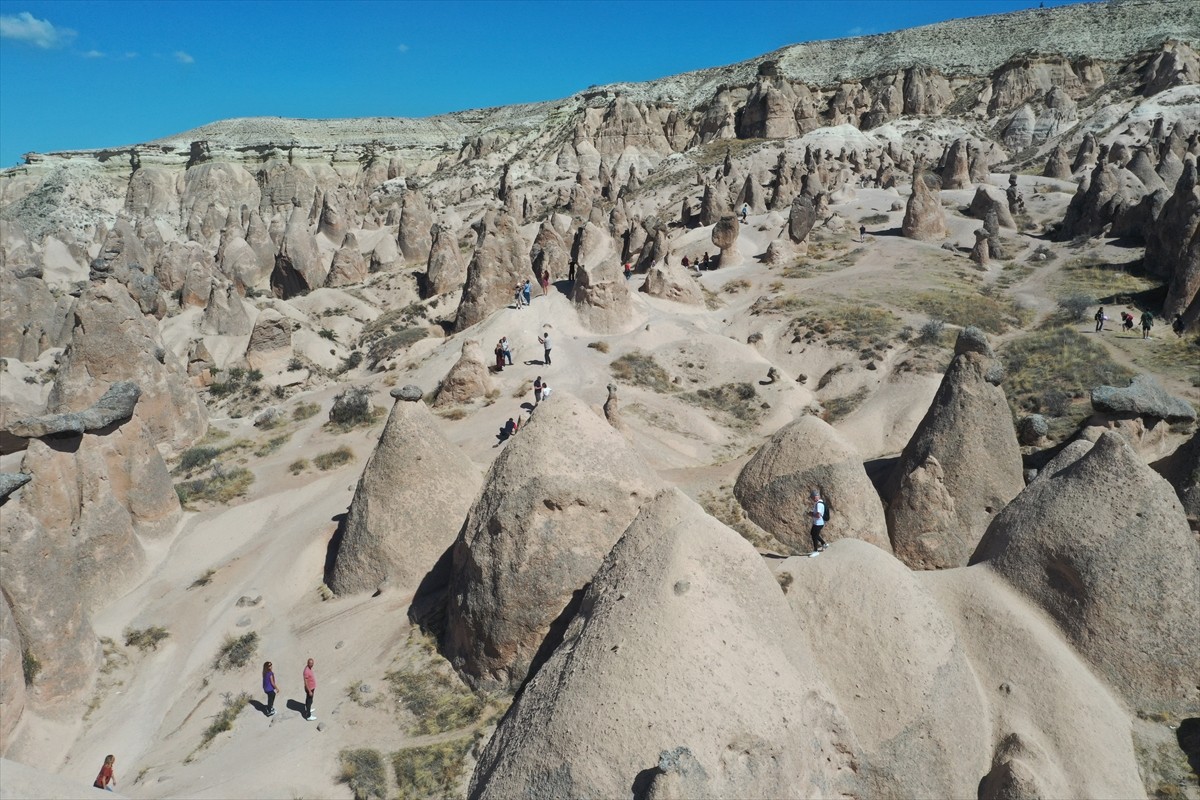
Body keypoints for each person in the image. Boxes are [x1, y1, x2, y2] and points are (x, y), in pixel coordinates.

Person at [807, 489, 828, 557]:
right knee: (813, 533)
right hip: (817, 523)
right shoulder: (820, 503)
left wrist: (811, 514)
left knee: (814, 536)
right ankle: (824, 544)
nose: (812, 499)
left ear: (815, 497)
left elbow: (818, 515)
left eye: (812, 497)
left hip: (819, 523)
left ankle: (816, 551)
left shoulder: (819, 504)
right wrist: (813, 513)